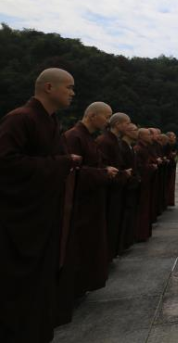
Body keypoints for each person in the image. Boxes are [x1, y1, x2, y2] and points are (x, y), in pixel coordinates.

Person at [0, 68, 81, 343]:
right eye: (68, 87)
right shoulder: (20, 119)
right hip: (21, 219)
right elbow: (7, 164)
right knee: (20, 283)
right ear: (49, 87)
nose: (72, 93)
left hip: (44, 214)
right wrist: (62, 162)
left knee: (40, 282)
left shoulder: (50, 121)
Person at [61, 102, 118, 307]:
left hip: (92, 200)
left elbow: (90, 165)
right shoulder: (73, 137)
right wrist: (102, 173)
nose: (108, 121)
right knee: (78, 245)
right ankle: (73, 288)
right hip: (79, 203)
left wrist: (104, 169)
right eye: (106, 116)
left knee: (89, 245)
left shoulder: (88, 138)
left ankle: (82, 284)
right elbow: (70, 171)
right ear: (92, 115)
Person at [97, 112, 132, 261]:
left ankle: (111, 253)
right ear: (117, 124)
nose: (129, 126)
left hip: (117, 187)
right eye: (127, 123)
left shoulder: (115, 141)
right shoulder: (105, 141)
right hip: (109, 190)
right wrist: (123, 174)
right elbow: (103, 166)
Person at [118, 122, 140, 251]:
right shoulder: (122, 147)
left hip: (132, 184)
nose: (136, 132)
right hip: (125, 186)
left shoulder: (130, 147)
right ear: (126, 132)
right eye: (134, 129)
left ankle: (127, 240)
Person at [134, 128, 157, 241]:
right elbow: (139, 167)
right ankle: (140, 234)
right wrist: (151, 167)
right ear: (141, 136)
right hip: (141, 182)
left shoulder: (145, 148)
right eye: (148, 135)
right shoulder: (139, 149)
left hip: (147, 182)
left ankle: (143, 232)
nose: (151, 136)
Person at [165, 131, 177, 206]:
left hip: (171, 166)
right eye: (173, 136)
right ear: (168, 137)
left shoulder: (173, 145)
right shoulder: (166, 145)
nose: (175, 137)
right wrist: (172, 155)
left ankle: (170, 200)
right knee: (169, 185)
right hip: (168, 167)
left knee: (171, 185)